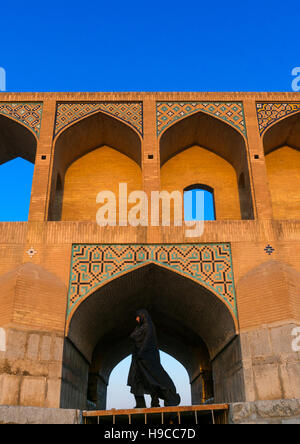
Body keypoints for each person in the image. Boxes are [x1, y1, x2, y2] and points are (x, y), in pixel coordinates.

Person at [127, 308, 181, 408]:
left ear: (143, 316)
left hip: (148, 359)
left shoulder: (149, 327)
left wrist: (142, 352)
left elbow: (148, 341)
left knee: (152, 379)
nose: (137, 319)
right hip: (138, 359)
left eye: (138, 317)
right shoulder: (139, 327)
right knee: (136, 379)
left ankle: (156, 402)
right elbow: (133, 336)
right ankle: (140, 403)